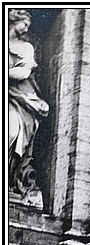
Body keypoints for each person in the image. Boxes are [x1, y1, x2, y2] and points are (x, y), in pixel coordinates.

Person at [8, 9, 49, 203]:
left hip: (21, 98)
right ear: (13, 20)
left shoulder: (26, 47)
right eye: (24, 24)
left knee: (12, 133)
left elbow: (24, 73)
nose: (26, 29)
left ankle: (9, 180)